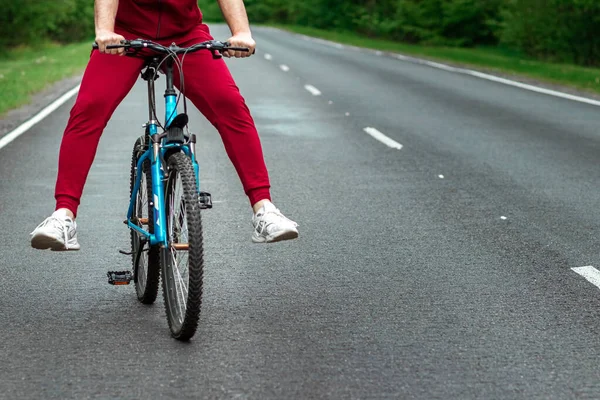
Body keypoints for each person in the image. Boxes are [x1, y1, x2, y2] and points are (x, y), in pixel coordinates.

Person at [30, 0, 298, 250]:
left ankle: (264, 210)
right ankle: (64, 216)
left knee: (230, 105)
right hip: (126, 35)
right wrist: (104, 31)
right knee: (89, 108)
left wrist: (241, 32)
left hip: (184, 34)